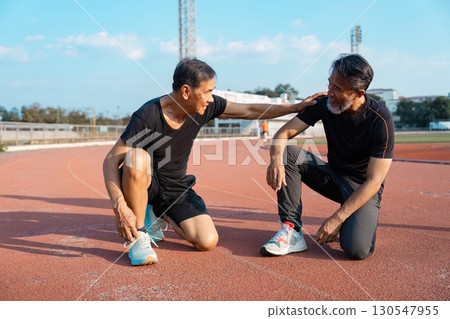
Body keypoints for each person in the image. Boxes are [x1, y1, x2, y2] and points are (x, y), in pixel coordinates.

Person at [103, 57, 326, 266]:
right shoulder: (148, 116)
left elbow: (248, 110)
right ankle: (140, 236)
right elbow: (111, 161)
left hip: (174, 188)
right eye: (208, 91)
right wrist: (120, 206)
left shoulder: (204, 107)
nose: (211, 98)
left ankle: (158, 213)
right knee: (136, 157)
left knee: (206, 241)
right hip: (146, 181)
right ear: (186, 91)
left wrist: (294, 107)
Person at [261, 54, 394, 260]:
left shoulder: (380, 120)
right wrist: (275, 161)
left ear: (358, 93)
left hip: (361, 187)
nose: (330, 92)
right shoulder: (324, 104)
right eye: (330, 84)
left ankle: (353, 220)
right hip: (332, 177)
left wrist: (337, 218)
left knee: (356, 250)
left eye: (338, 89)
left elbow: (375, 181)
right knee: (290, 154)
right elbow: (283, 134)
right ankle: (291, 230)